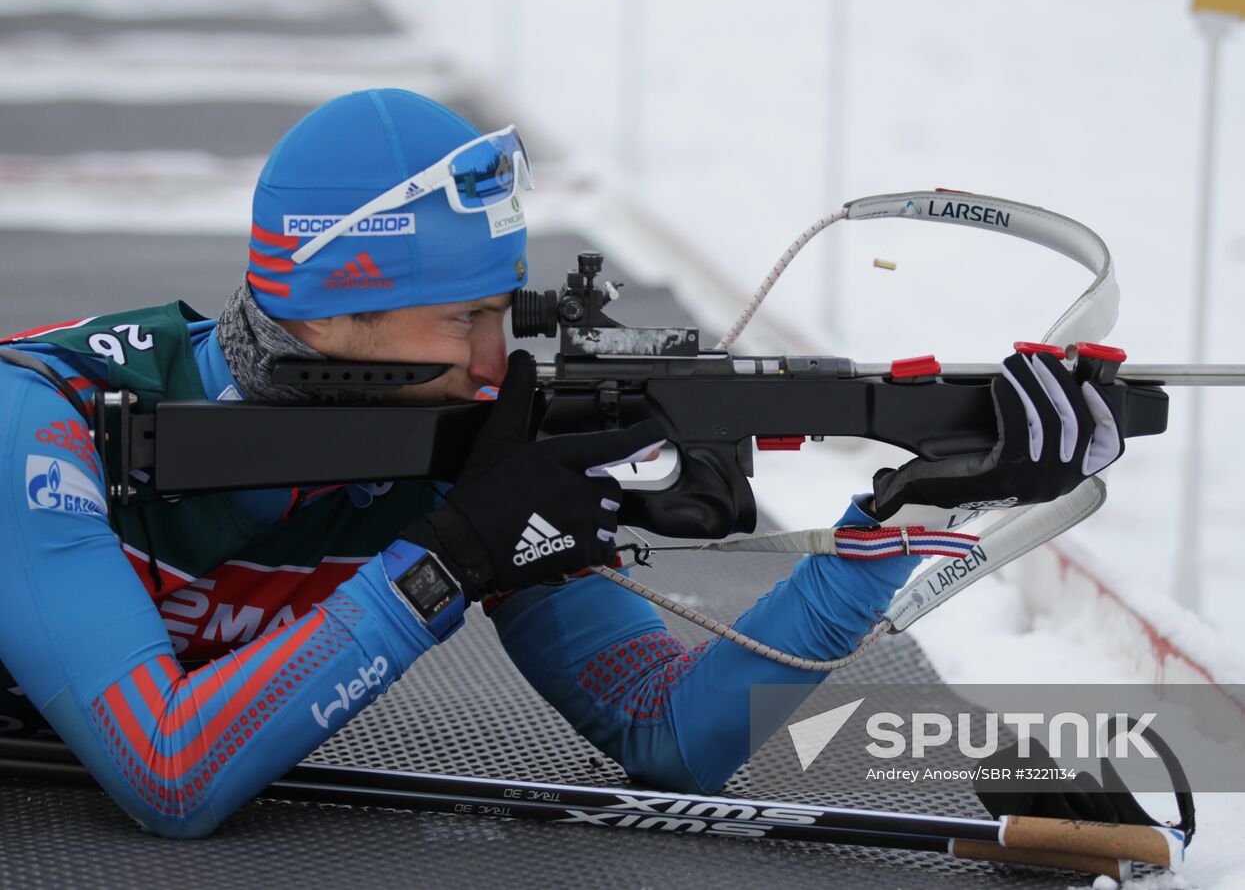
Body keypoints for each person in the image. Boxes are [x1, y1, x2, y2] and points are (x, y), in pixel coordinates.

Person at [0, 89, 1124, 838]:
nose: (499, 366)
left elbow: (671, 733)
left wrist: (885, 532)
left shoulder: (439, 439)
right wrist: (445, 562)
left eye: (508, 314)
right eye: (462, 322)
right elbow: (171, 775)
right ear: (336, 314)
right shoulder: (36, 418)